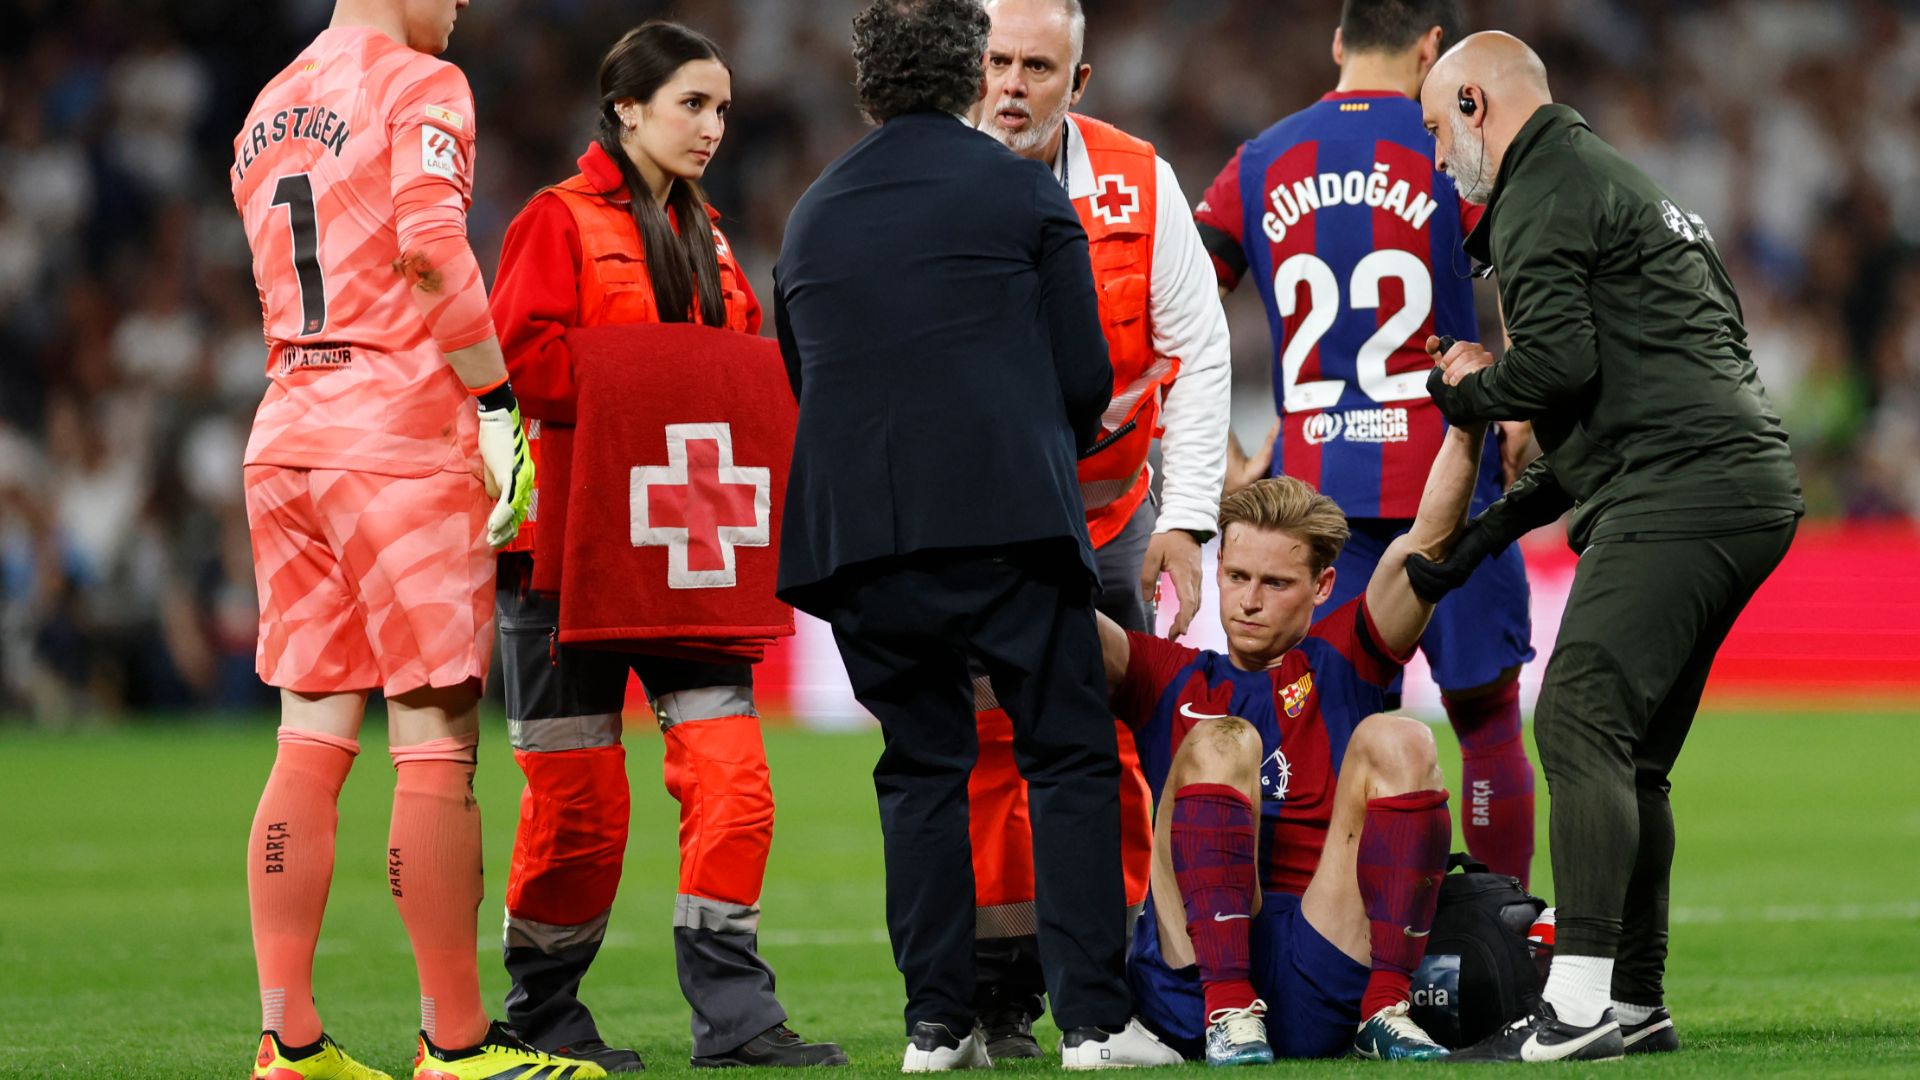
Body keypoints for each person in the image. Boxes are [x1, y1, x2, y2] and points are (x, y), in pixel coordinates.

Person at [772, 0, 1178, 1070]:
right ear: (968, 79)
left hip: (858, 541)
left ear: (867, 90)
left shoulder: (811, 213)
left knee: (920, 769)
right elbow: (1087, 376)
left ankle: (935, 1027)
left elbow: (803, 374)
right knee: (1068, 754)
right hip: (1007, 527)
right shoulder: (1024, 193)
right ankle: (1093, 1024)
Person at [1412, 31, 1804, 1062]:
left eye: (1434, 127)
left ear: (1472, 104)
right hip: (1732, 478)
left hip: (1684, 486)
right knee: (1631, 760)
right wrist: (1477, 541)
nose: (1439, 155)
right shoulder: (1624, 184)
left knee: (1580, 714)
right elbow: (1610, 400)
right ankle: (1632, 1000)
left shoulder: (1541, 188)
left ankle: (1578, 1005)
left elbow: (1550, 369)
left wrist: (1462, 391)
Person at [230, 1, 600, 1078]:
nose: (463, 5)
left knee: (309, 738)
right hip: (394, 440)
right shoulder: (418, 83)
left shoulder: (266, 107)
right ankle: (455, 1044)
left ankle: (287, 1043)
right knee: (436, 737)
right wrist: (495, 404)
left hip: (288, 426)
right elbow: (433, 251)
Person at [486, 21, 845, 1073]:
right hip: (565, 557)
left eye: (724, 109)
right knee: (579, 806)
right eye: (694, 103)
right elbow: (522, 363)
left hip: (690, 548)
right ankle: (541, 1013)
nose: (714, 127)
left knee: (734, 782)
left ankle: (736, 1020)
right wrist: (664, 374)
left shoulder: (713, 238)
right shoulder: (555, 223)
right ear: (627, 107)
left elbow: (734, 379)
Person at [1193, 0, 1538, 889]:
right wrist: (1524, 402)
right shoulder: (1450, 141)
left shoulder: (1260, 161)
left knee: (1336, 731)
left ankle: (1341, 950)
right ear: (1434, 48)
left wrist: (1226, 456)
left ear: (1340, 41)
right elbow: (1543, 273)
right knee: (1488, 722)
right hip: (1449, 485)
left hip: (1316, 506)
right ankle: (1516, 941)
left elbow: (1173, 308)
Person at [965, 0, 1233, 1058]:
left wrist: (1189, 519)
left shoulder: (1137, 177)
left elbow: (1201, 350)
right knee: (989, 754)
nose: (1014, 83)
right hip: (985, 522)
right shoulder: (937, 178)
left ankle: (1121, 970)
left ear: (1079, 83)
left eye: (1039, 64)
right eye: (998, 60)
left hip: (1114, 516)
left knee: (1120, 744)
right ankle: (994, 991)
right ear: (971, 67)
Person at [1104, 421, 1487, 1065]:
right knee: (1225, 740)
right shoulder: (1163, 673)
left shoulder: (1342, 659)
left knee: (1400, 736)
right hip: (1192, 981)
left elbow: (1427, 545)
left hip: (1323, 958)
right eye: (1237, 575)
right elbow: (1050, 623)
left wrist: (1469, 427)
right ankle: (1229, 1010)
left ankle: (1386, 1009)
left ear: (1323, 587)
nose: (1249, 601)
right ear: (1215, 569)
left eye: (1275, 584)